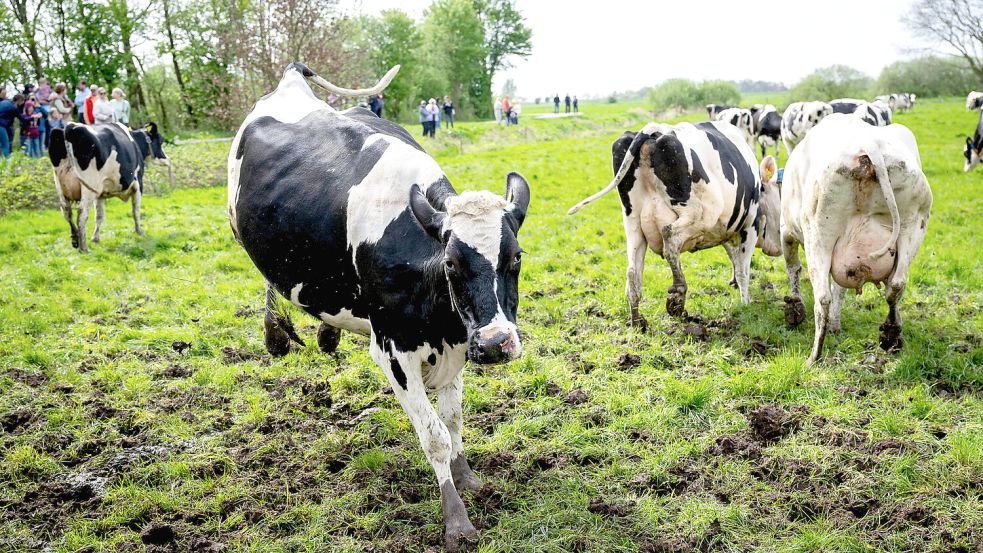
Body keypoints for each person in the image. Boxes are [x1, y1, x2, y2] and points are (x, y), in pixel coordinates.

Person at [0, 87, 17, 157]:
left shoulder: (7, 102)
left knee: (8, 142)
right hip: (2, 125)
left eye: (5, 93)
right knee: (5, 144)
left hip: (8, 125)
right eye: (3, 93)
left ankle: (6, 156)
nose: (4, 94)